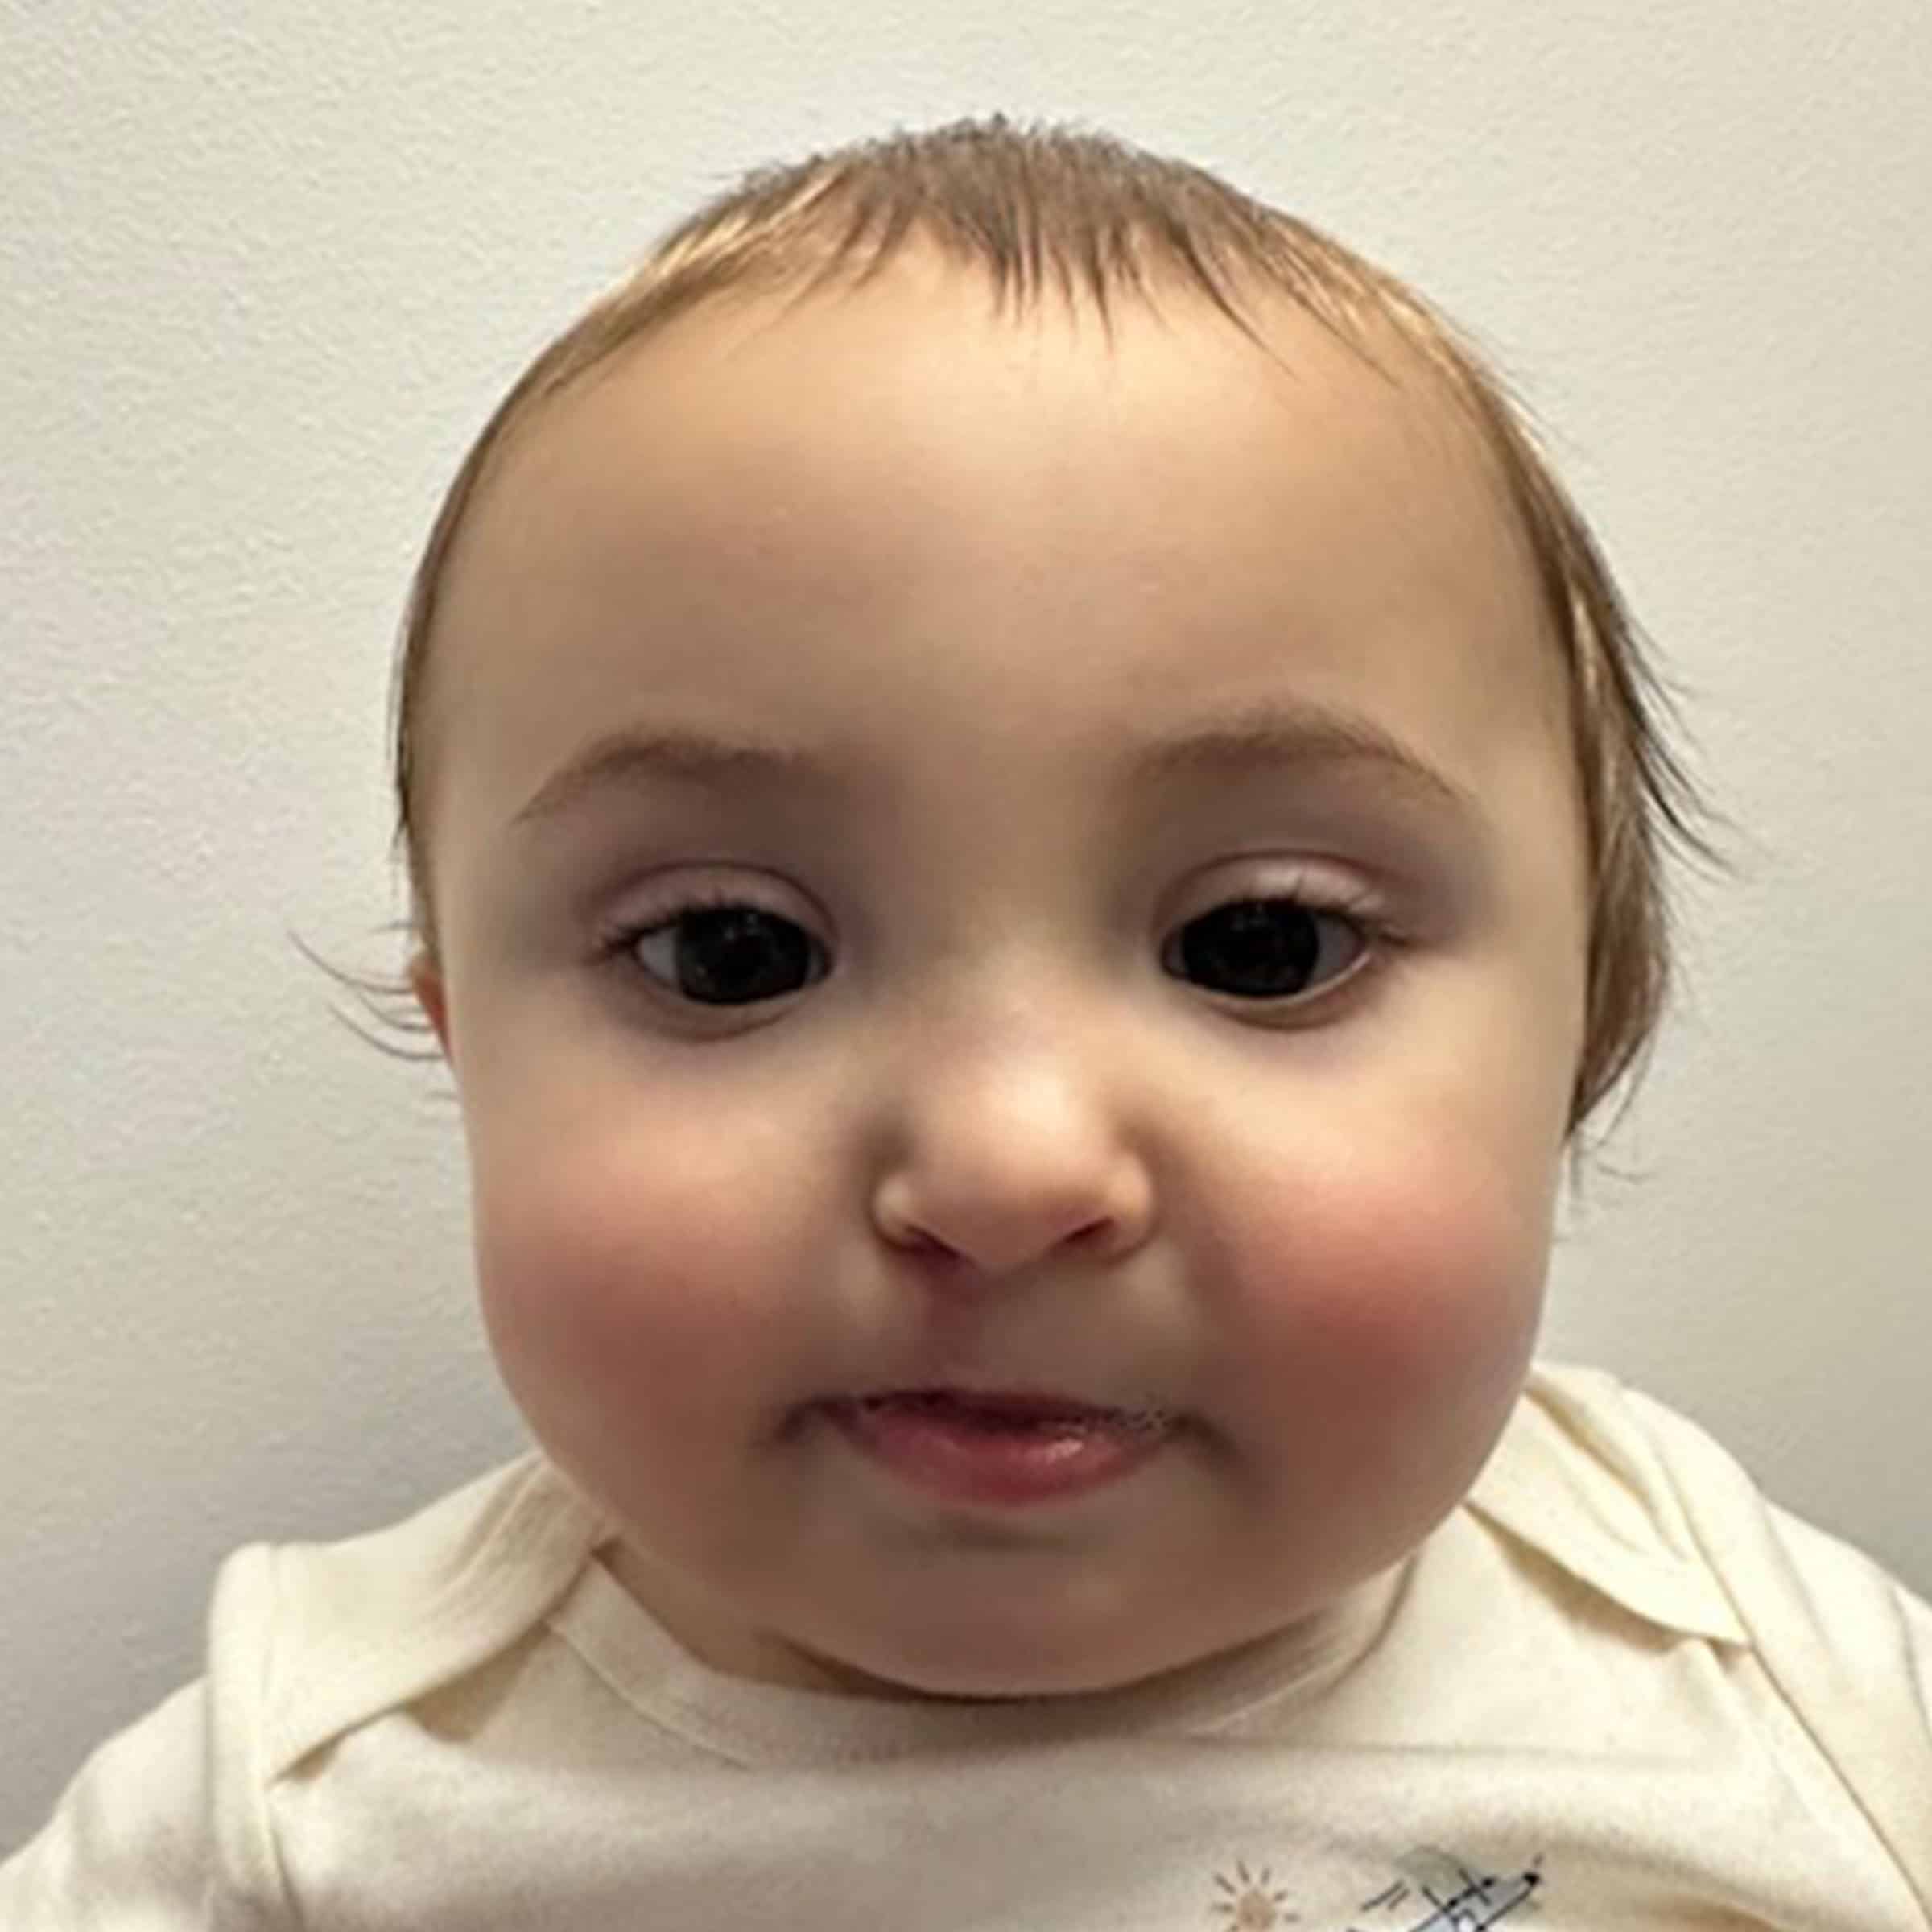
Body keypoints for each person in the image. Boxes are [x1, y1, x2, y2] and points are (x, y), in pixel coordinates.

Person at [5, 113, 1927, 1930]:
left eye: (1263, 945)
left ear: (1584, 1038)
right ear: (465, 1052)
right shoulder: (303, 1803)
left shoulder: (1781, 1686)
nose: (1007, 1167)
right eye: (729, 955)